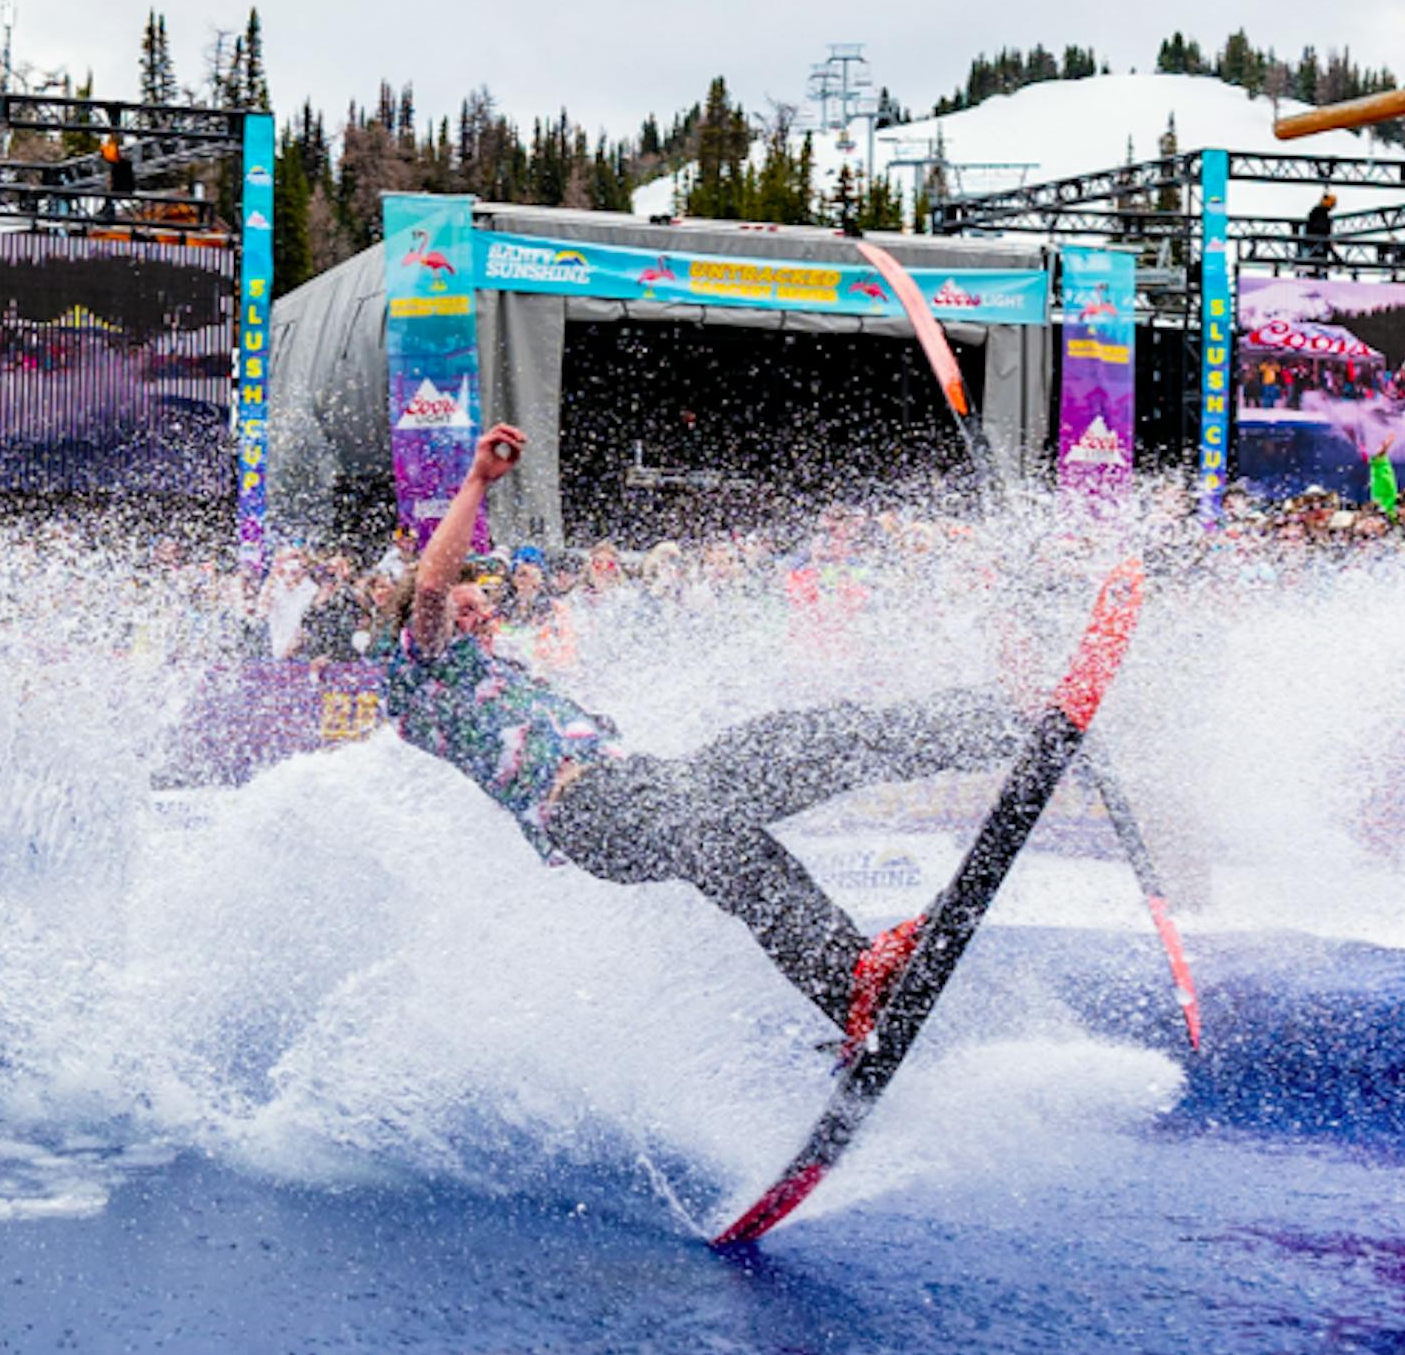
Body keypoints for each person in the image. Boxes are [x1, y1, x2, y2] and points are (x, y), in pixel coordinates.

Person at [384, 424, 1027, 1039]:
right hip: (589, 816)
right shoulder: (423, 678)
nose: (481, 615)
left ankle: (1000, 722)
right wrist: (476, 481)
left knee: (808, 737)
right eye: (467, 610)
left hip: (646, 784)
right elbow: (436, 585)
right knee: (714, 834)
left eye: (484, 606)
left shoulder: (508, 669)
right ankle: (850, 979)